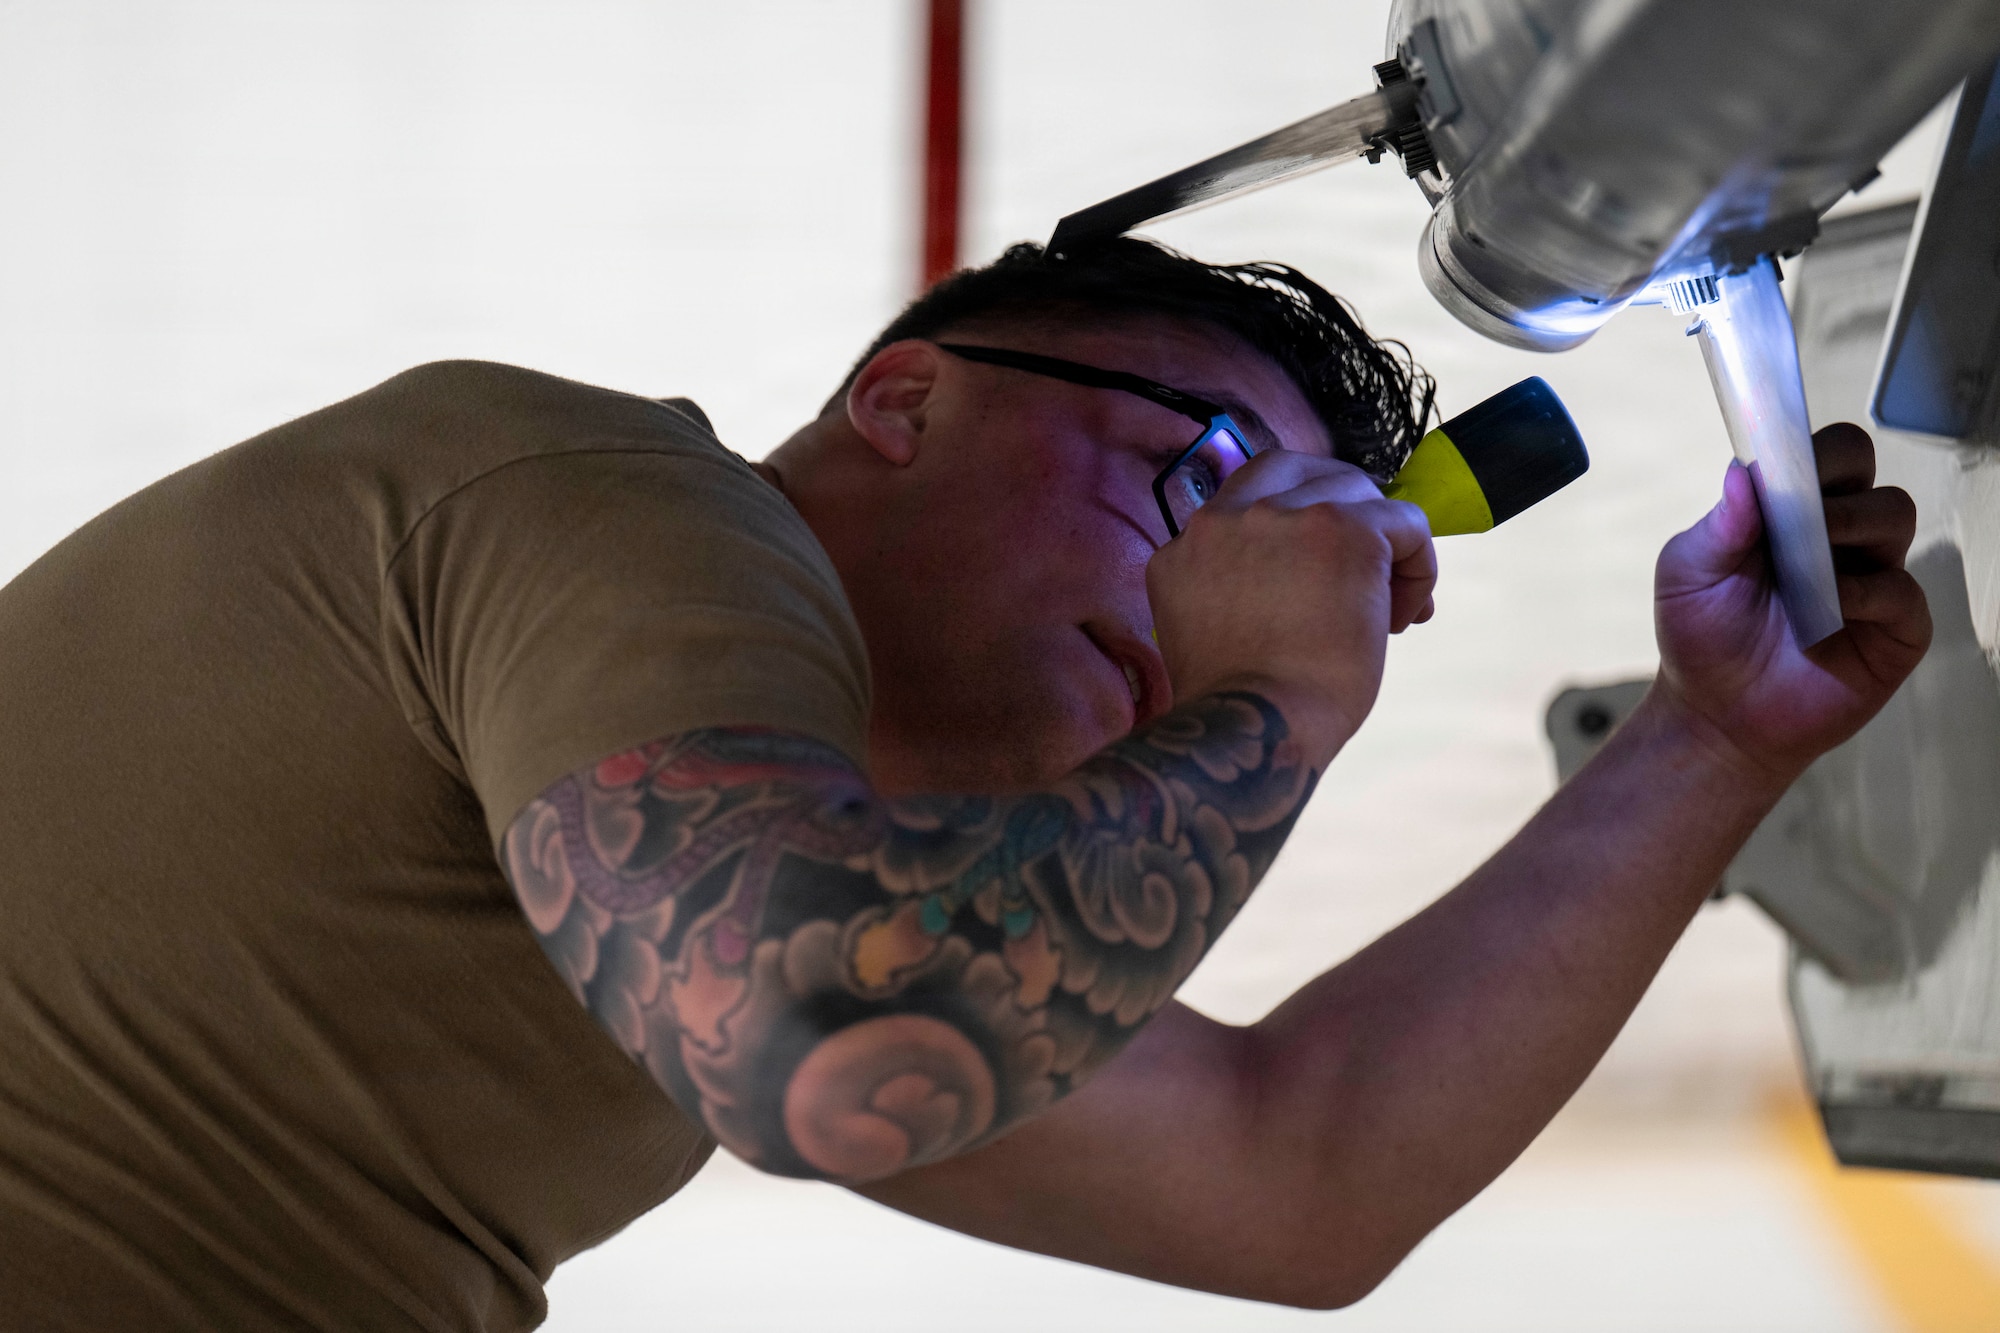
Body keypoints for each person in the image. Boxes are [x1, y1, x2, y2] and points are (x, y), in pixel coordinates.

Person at [0, 237, 1928, 1329]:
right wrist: (1273, 686)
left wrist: (1718, 737)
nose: (1192, 599)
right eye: (1194, 485)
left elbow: (1292, 1180)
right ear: (908, 400)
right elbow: (822, 1028)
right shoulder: (612, 506)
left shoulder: (754, 863)